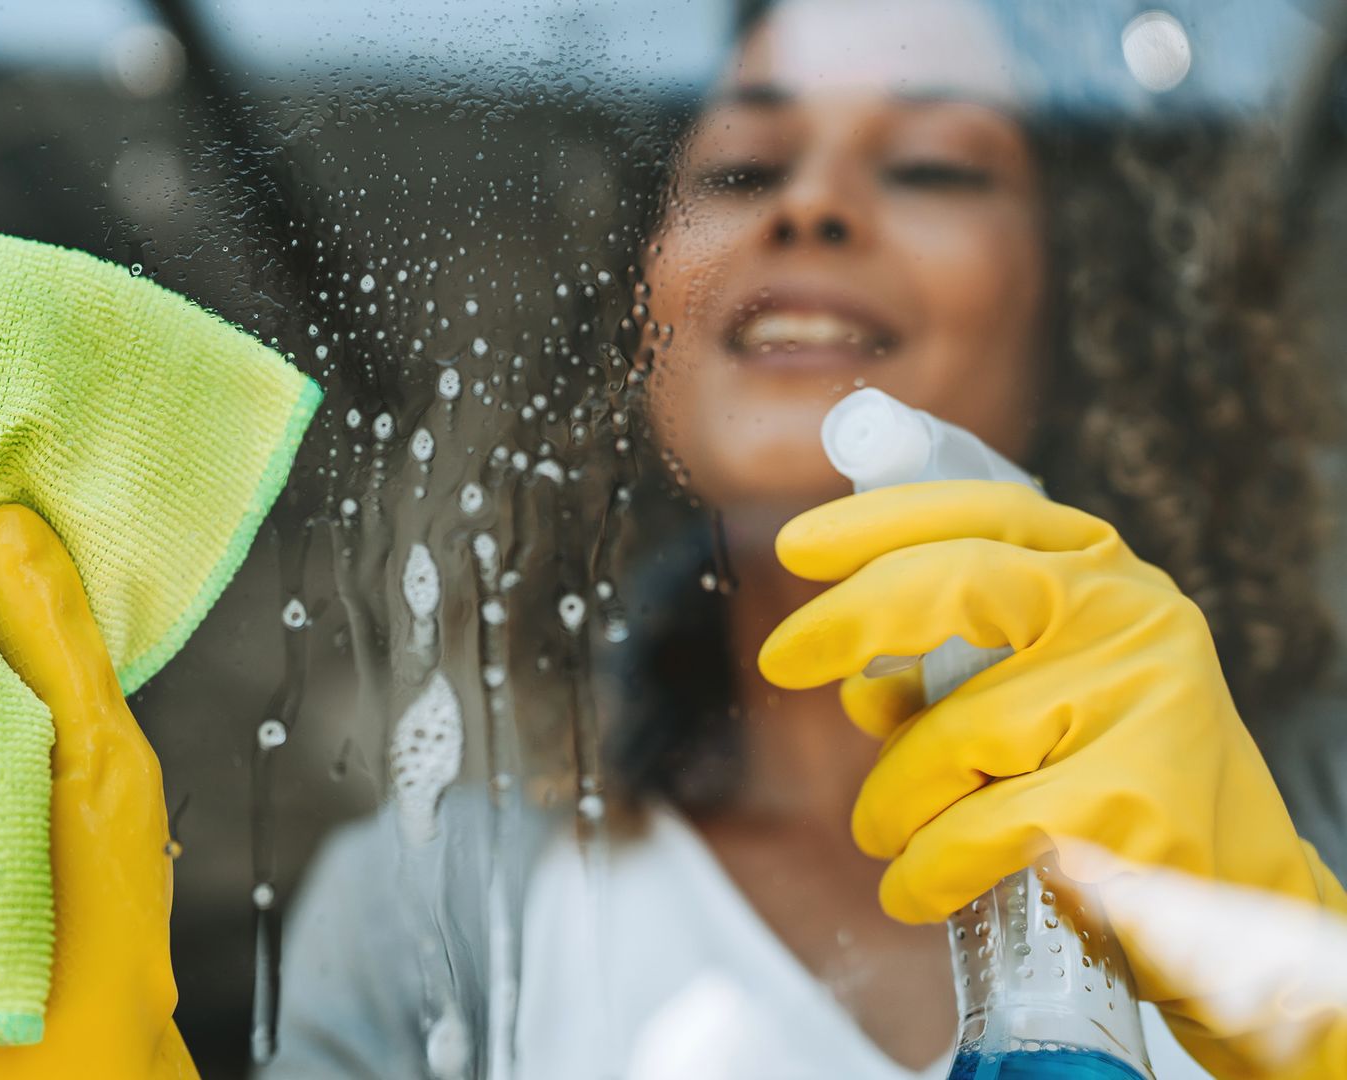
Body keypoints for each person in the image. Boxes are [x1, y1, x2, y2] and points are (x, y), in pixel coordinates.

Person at [264, 1, 1347, 1078]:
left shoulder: (1315, 813)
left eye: (931, 168)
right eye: (743, 170)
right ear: (644, 312)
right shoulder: (426, 920)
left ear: (1079, 301)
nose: (812, 204)